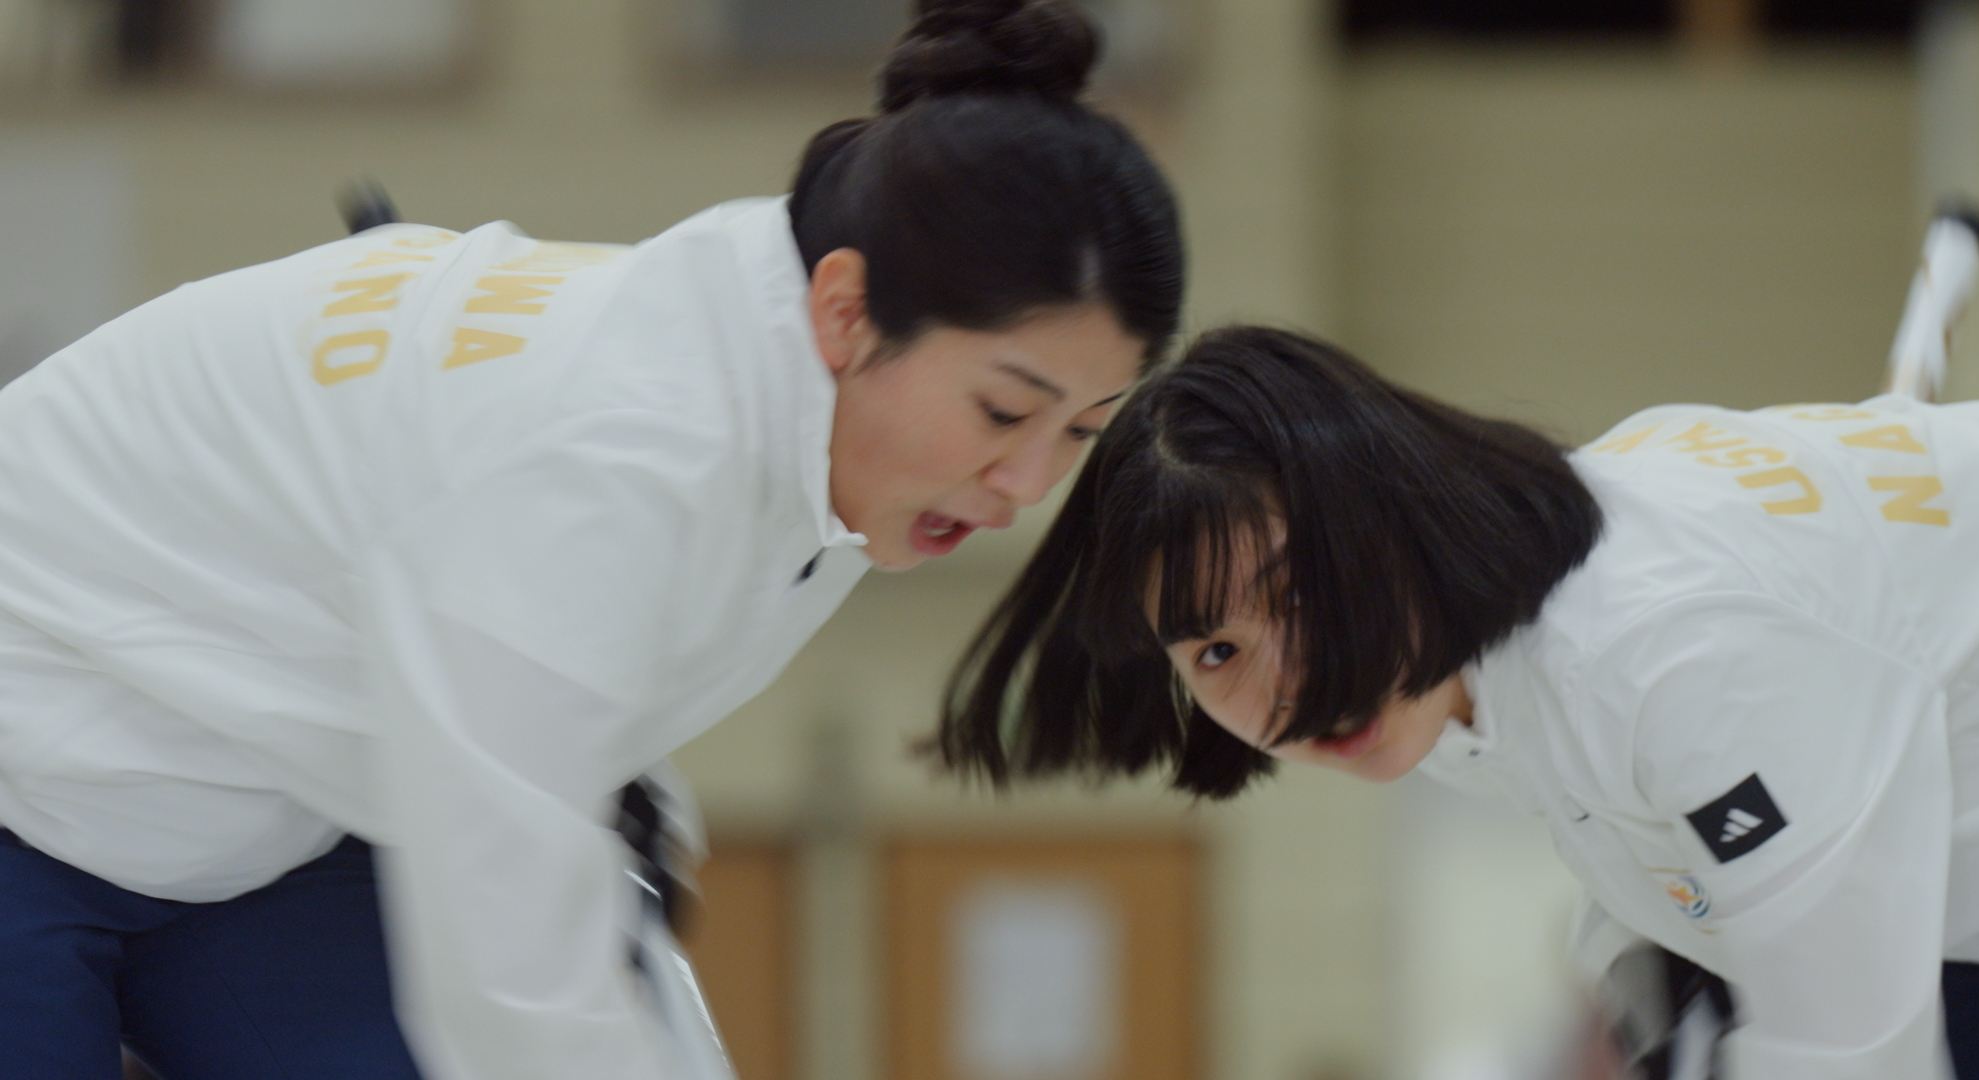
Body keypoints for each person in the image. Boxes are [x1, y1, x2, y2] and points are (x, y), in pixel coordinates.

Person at [0, 1, 1184, 1076]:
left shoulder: (792, 415)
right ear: (842, 309)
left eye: (1080, 430)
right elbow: (519, 980)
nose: (1026, 482)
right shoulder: (619, 446)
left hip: (273, 812)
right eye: (1003, 410)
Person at [939, 324, 1979, 1078]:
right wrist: (1643, 975)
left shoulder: (1666, 647)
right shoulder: (1470, 660)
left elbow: (1856, 1051)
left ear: (1390, 509)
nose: (1288, 690)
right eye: (1215, 649)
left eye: (1303, 594)